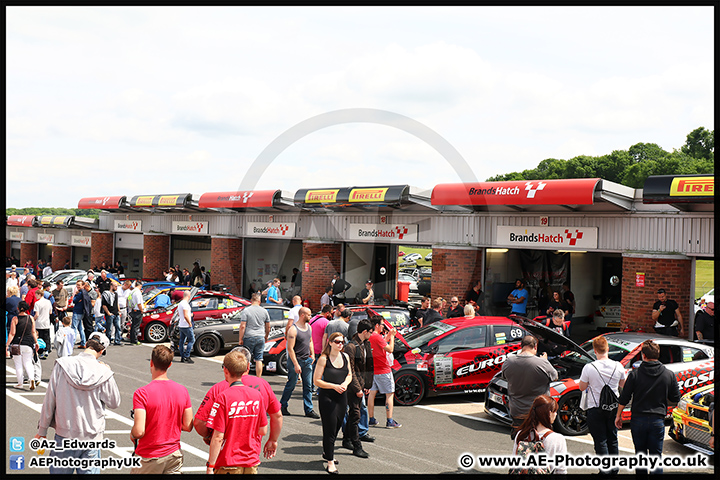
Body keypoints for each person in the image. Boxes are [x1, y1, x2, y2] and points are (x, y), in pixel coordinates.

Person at [36, 332, 121, 474]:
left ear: (86, 345)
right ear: (102, 351)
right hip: (92, 437)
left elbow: (50, 399)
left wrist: (42, 431)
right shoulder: (103, 371)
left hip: (65, 434)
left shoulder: (63, 365)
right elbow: (114, 402)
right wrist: (109, 373)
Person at [194, 346, 283, 460]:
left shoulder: (219, 388)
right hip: (252, 454)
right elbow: (277, 415)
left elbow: (199, 422)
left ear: (227, 368)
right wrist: (273, 440)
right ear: (247, 365)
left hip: (226, 454)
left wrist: (208, 436)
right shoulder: (263, 384)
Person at [615, 340, 681, 475]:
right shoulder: (668, 374)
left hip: (638, 419)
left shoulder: (634, 375)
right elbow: (676, 398)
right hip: (658, 419)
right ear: (658, 355)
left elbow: (624, 397)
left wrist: (618, 415)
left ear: (643, 356)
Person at [130, 345, 193, 474]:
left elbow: (139, 431)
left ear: (151, 363)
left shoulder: (142, 393)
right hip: (174, 454)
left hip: (150, 455)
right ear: (169, 365)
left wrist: (132, 434)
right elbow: (188, 425)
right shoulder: (182, 390)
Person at [206, 351, 268, 474]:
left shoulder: (223, 397)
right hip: (251, 460)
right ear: (246, 369)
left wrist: (210, 465)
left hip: (228, 461)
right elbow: (263, 430)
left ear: (226, 371)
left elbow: (218, 436)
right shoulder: (257, 395)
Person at [578, 336, 626, 475]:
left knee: (600, 440)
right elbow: (623, 384)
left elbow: (582, 387)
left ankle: (604, 471)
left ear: (595, 350)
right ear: (608, 349)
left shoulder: (589, 367)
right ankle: (614, 469)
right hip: (613, 407)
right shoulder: (618, 366)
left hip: (595, 407)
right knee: (613, 438)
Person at [501, 335, 558, 438]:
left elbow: (505, 377)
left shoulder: (508, 362)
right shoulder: (542, 363)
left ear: (521, 346)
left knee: (520, 440)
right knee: (538, 441)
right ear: (535, 347)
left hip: (517, 410)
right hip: (539, 411)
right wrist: (545, 361)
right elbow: (555, 377)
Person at [314, 332, 353, 473]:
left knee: (337, 426)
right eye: (337, 341)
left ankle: (326, 452)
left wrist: (345, 384)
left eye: (342, 342)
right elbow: (316, 381)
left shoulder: (346, 357)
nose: (340, 344)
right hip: (327, 397)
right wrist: (334, 386)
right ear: (330, 342)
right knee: (329, 429)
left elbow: (349, 374)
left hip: (342, 396)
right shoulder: (324, 359)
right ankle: (330, 461)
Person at [341, 319, 374, 458]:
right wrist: (357, 388)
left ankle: (347, 439)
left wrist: (367, 385)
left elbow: (368, 366)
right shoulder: (351, 347)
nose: (372, 335)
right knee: (355, 415)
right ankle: (357, 446)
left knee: (355, 413)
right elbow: (351, 370)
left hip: (361, 384)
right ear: (364, 332)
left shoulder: (366, 344)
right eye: (370, 332)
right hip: (351, 386)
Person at [512, 394, 567, 475]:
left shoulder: (521, 433)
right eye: (554, 411)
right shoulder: (557, 439)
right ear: (549, 413)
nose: (556, 414)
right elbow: (561, 470)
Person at [279, 307, 319, 418]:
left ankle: (309, 409)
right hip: (295, 360)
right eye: (309, 315)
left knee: (308, 386)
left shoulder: (309, 327)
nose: (310, 317)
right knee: (291, 384)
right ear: (302, 315)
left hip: (307, 360)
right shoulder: (293, 329)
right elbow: (290, 349)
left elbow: (310, 341)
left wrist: (313, 355)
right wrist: (296, 364)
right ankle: (282, 405)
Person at [367, 316, 401, 429]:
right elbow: (390, 349)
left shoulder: (369, 336)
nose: (383, 327)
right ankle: (389, 420)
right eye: (382, 325)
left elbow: (381, 343)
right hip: (383, 369)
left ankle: (371, 419)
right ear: (377, 325)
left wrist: (388, 336)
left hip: (372, 370)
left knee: (372, 394)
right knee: (389, 394)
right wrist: (392, 337)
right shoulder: (377, 337)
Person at [7, 301, 39, 389]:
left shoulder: (15, 319)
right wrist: (36, 342)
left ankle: (20, 383)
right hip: (28, 343)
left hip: (17, 343)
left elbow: (12, 333)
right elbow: (33, 331)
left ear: (18, 308)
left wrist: (7, 345)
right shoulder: (31, 318)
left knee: (18, 364)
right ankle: (31, 379)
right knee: (28, 363)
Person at [238, 292, 271, 376]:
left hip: (249, 336)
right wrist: (266, 336)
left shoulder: (246, 310)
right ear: (259, 301)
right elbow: (268, 327)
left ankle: (244, 377)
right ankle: (258, 378)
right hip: (260, 336)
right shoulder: (264, 311)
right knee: (259, 359)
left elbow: (242, 326)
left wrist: (240, 339)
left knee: (246, 359)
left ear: (251, 300)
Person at [34, 289, 53, 359]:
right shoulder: (48, 302)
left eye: (36, 294)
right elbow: (50, 312)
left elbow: (37, 314)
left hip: (39, 323)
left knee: (40, 338)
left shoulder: (37, 303)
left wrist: (33, 319)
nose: (35, 296)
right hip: (46, 322)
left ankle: (40, 352)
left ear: (39, 294)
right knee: (47, 337)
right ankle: (47, 350)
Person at [177, 290, 195, 363]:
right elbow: (185, 315)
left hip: (181, 324)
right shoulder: (185, 304)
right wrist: (189, 322)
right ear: (189, 296)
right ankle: (187, 356)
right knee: (191, 340)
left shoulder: (180, 304)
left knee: (182, 341)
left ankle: (182, 356)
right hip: (186, 325)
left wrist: (190, 315)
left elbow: (179, 314)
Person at [102, 281, 122, 346]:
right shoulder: (106, 294)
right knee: (109, 328)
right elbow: (104, 305)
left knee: (118, 327)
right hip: (110, 314)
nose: (116, 288)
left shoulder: (116, 294)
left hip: (116, 313)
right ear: (111, 286)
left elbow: (117, 303)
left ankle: (117, 340)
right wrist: (108, 313)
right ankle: (108, 340)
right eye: (115, 286)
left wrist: (119, 311)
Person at [127, 279, 145, 345]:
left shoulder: (132, 291)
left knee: (133, 325)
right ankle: (135, 340)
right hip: (137, 310)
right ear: (140, 286)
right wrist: (142, 310)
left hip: (132, 309)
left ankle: (132, 339)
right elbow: (139, 303)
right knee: (136, 326)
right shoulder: (138, 292)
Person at [71, 280, 88, 348]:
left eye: (79, 285)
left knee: (74, 327)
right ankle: (83, 342)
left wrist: (75, 294)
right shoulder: (85, 292)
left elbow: (74, 300)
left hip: (77, 311)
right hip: (82, 312)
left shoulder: (80, 293)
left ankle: (72, 343)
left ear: (83, 285)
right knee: (80, 327)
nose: (77, 286)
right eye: (77, 285)